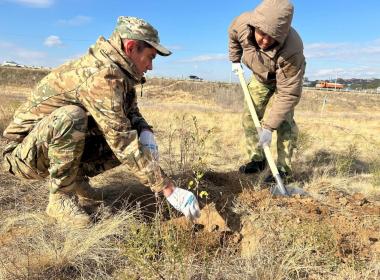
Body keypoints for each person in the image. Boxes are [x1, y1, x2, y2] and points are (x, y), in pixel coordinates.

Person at [2, 16, 200, 228]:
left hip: (47, 146)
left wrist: (145, 131)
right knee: (72, 117)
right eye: (150, 57)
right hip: (22, 155)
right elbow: (120, 139)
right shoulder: (101, 75)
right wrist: (166, 187)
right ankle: (60, 197)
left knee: (132, 133)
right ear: (131, 47)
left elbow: (130, 114)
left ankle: (75, 180)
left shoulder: (121, 73)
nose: (150, 66)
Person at [228, 0, 306, 182]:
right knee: (250, 116)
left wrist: (269, 127)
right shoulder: (242, 24)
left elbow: (288, 94)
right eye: (262, 33)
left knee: (284, 123)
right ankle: (258, 160)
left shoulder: (292, 50)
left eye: (272, 37)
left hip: (284, 82)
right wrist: (234, 59)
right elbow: (232, 35)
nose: (265, 40)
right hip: (260, 76)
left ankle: (283, 169)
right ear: (254, 25)